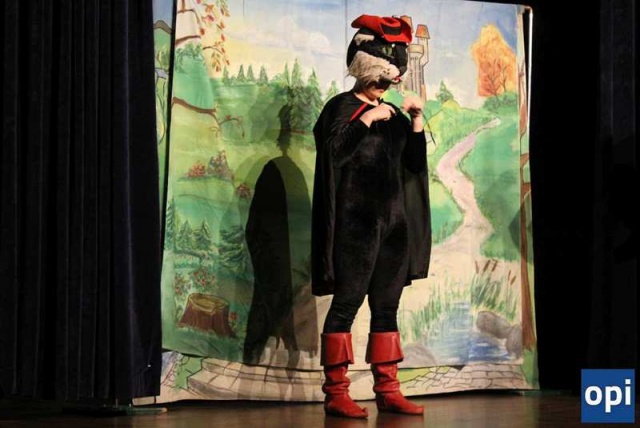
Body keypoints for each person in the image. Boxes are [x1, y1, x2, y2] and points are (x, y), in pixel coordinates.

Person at [311, 14, 432, 418]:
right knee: (346, 304)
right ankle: (336, 392)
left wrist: (415, 121)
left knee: (387, 307)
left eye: (389, 79)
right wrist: (364, 121)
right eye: (379, 77)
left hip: (393, 227)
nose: (384, 85)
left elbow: (413, 166)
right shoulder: (341, 107)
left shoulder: (393, 115)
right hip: (355, 227)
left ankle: (388, 389)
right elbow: (333, 155)